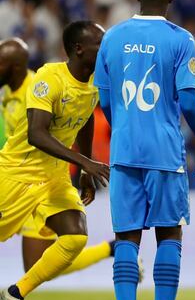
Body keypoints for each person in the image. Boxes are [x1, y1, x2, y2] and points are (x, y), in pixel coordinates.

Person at [95, 0, 195, 300]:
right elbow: (192, 101)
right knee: (169, 234)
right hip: (165, 153)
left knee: (127, 237)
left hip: (124, 153)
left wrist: (126, 129)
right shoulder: (181, 40)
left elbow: (106, 101)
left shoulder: (111, 38)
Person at [0, 22, 111, 300]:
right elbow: (36, 134)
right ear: (79, 49)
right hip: (16, 174)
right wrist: (85, 161)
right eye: (99, 46)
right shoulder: (49, 77)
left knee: (75, 236)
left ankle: (15, 293)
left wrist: (84, 174)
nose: (105, 51)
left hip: (54, 176)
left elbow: (86, 119)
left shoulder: (94, 84)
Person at [0, 38, 127, 279]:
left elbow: (68, 121)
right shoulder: (8, 92)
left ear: (14, 67)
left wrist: (84, 163)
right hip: (14, 178)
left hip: (40, 182)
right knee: (37, 265)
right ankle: (111, 248)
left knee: (38, 263)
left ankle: (111, 249)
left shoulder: (37, 87)